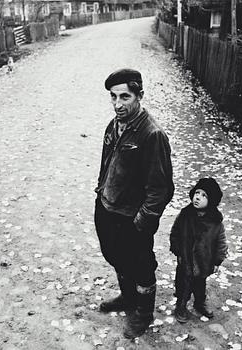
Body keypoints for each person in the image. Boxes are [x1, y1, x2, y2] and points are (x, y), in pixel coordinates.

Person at [94, 68, 174, 338]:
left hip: (132, 217)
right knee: (115, 255)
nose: (118, 104)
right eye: (113, 97)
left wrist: (143, 222)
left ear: (139, 95)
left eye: (125, 97)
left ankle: (143, 312)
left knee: (141, 264)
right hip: (107, 208)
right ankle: (128, 298)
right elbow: (107, 163)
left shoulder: (152, 135)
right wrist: (101, 195)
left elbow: (161, 188)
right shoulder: (114, 124)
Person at [170, 178, 228, 323]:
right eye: (197, 193)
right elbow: (175, 232)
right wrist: (177, 250)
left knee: (200, 284)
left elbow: (221, 242)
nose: (198, 197)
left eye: (204, 196)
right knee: (182, 284)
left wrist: (217, 261)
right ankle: (181, 305)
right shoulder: (185, 215)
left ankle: (199, 302)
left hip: (203, 261)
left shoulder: (215, 222)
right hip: (185, 259)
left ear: (212, 201)